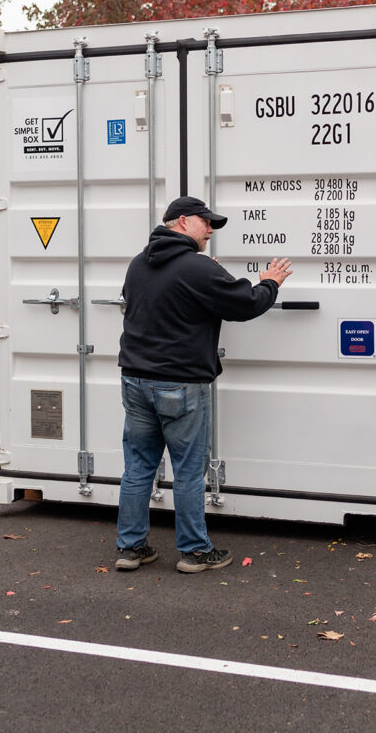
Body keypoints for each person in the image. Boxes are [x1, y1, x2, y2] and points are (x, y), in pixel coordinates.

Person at [115, 195, 292, 574]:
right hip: (179, 385)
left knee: (138, 468)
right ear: (181, 222)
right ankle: (194, 552)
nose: (211, 229)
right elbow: (244, 304)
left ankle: (131, 549)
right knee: (189, 470)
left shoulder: (138, 264)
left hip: (135, 380)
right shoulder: (195, 268)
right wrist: (270, 283)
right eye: (205, 222)